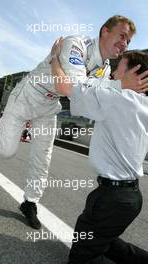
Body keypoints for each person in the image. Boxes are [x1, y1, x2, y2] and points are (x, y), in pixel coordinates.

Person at [0, 15, 148, 230]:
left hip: (49, 106)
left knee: (43, 158)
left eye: (129, 41)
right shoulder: (76, 44)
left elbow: (95, 95)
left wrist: (118, 87)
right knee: (5, 152)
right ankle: (6, 121)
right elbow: (75, 86)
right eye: (122, 36)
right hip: (28, 96)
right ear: (105, 31)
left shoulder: (104, 68)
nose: (125, 44)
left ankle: (30, 203)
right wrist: (120, 84)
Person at [50, 38, 148, 263]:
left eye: (119, 66)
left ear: (133, 72)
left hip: (112, 198)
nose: (112, 72)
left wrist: (54, 58)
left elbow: (64, 86)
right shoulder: (142, 103)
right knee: (104, 239)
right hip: (130, 197)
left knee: (83, 258)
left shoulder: (115, 99)